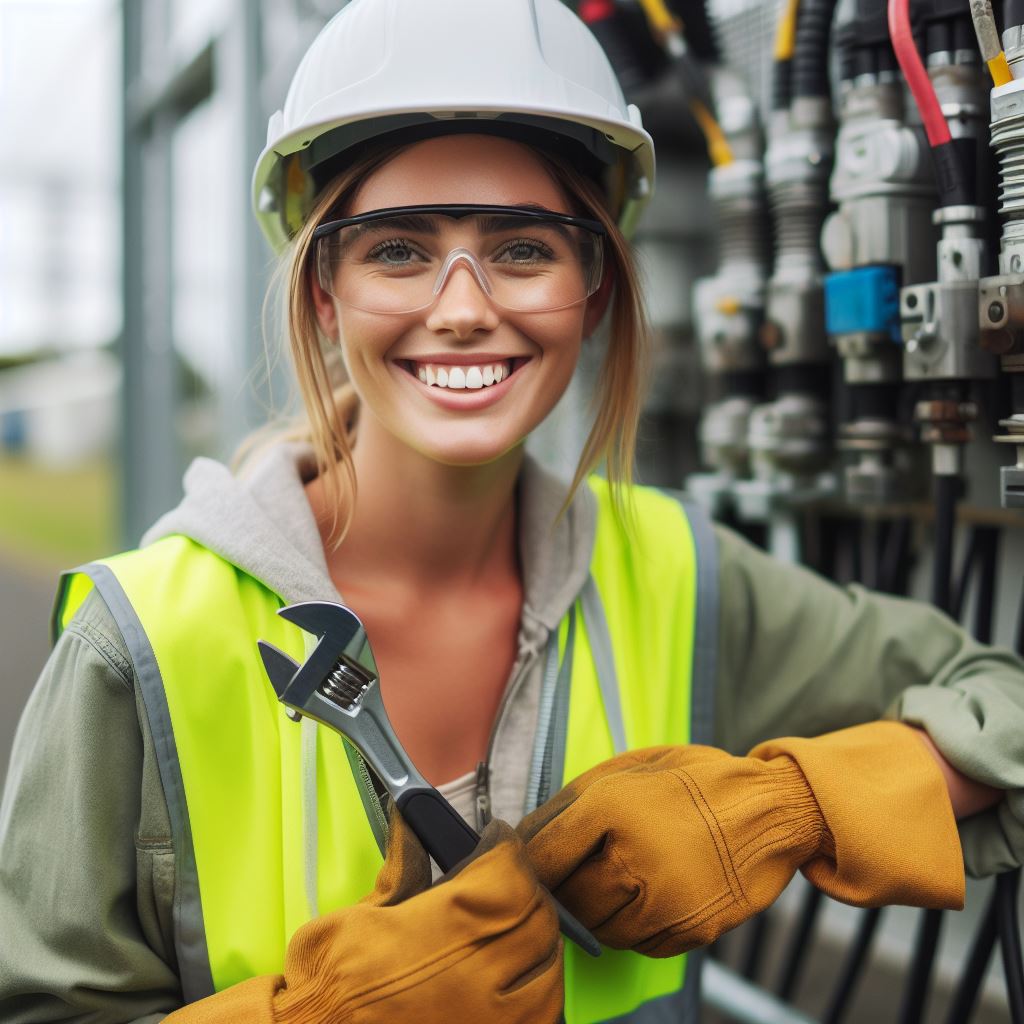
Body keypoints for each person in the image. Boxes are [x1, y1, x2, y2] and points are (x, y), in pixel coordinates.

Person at [1, 1, 1024, 1022]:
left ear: (593, 288)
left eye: (524, 248)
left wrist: (789, 808)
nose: (461, 306)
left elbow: (1001, 699)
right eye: (397, 249)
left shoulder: (679, 572)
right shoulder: (139, 644)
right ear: (324, 292)